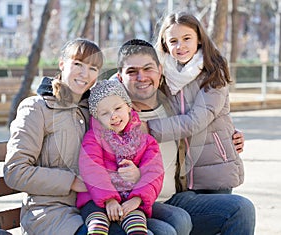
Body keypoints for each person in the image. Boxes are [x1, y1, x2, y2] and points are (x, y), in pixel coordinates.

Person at [115, 38, 255, 235]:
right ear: (120, 77)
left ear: (160, 70)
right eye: (132, 71)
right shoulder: (113, 114)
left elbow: (200, 118)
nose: (142, 77)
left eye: (148, 69)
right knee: (173, 226)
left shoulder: (171, 106)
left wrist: (231, 136)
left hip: (175, 198)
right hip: (133, 204)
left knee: (241, 208)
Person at [3, 38, 104, 235]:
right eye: (78, 64)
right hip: (49, 212)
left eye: (93, 68)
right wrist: (72, 181)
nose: (85, 74)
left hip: (91, 207)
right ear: (62, 64)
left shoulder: (94, 111)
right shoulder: (37, 108)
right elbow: (15, 171)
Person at [143, 12, 244, 194]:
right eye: (173, 41)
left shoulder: (213, 72)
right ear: (165, 44)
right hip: (180, 175)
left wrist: (147, 128)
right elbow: (131, 84)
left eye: (186, 38)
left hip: (214, 171)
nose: (180, 46)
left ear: (198, 39)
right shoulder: (162, 75)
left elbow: (196, 121)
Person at [76, 79, 164, 235]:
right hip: (97, 200)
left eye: (117, 108)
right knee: (97, 227)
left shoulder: (146, 141)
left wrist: (137, 200)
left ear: (128, 107)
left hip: (131, 200)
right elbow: (92, 169)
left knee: (137, 228)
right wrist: (109, 199)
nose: (113, 116)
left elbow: (154, 172)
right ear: (97, 118)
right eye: (104, 113)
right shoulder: (93, 139)